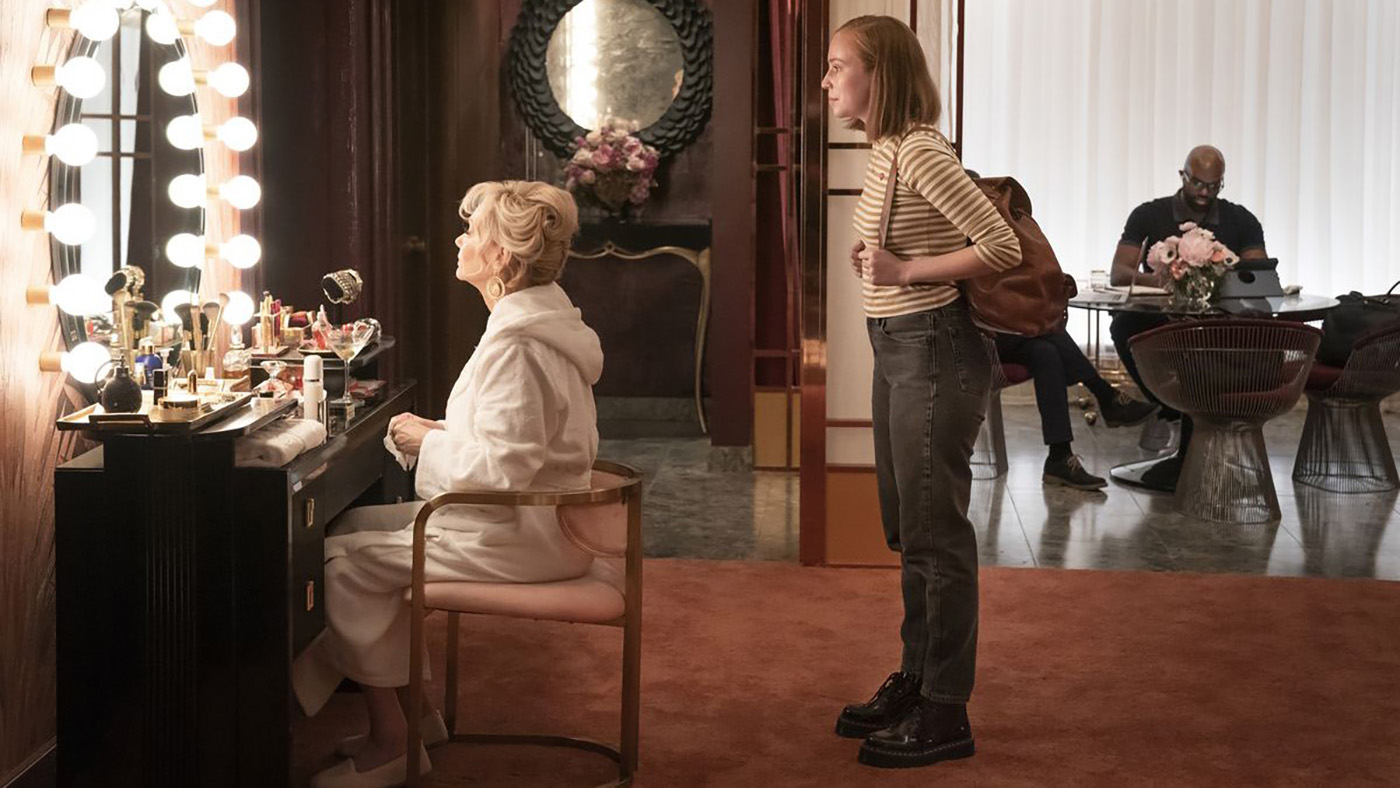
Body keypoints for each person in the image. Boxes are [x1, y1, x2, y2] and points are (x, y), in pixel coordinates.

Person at [292, 181, 602, 788]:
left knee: (340, 567)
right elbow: (519, 442)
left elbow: (505, 469)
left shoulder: (518, 345)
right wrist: (441, 430)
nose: (459, 241)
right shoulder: (539, 323)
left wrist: (425, 444)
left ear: (501, 257)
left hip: (523, 533)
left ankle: (392, 743)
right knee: (350, 525)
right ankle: (420, 717)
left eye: (471, 232)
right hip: (534, 520)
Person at [822, 15, 1022, 769]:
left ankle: (946, 711)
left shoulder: (922, 151)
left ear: (880, 74)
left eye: (838, 66)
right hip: (898, 347)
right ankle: (917, 678)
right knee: (911, 529)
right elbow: (922, 237)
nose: (827, 80)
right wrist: (881, 254)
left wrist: (904, 271)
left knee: (937, 536)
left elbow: (1000, 245)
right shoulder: (886, 150)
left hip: (933, 349)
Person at [1108, 146, 1268, 489]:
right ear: (1182, 175)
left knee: (1234, 335)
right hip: (1159, 323)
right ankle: (1167, 406)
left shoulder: (1241, 219)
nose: (1204, 192)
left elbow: (1258, 276)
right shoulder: (1149, 214)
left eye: (1213, 185)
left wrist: (1213, 277)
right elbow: (1119, 273)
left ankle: (1187, 419)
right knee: (1123, 324)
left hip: (1219, 328)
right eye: (1197, 183)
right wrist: (1170, 279)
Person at [993, 330, 1157, 489]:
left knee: (1045, 352)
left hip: (1010, 335)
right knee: (1047, 329)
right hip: (984, 340)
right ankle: (1105, 395)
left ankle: (1059, 456)